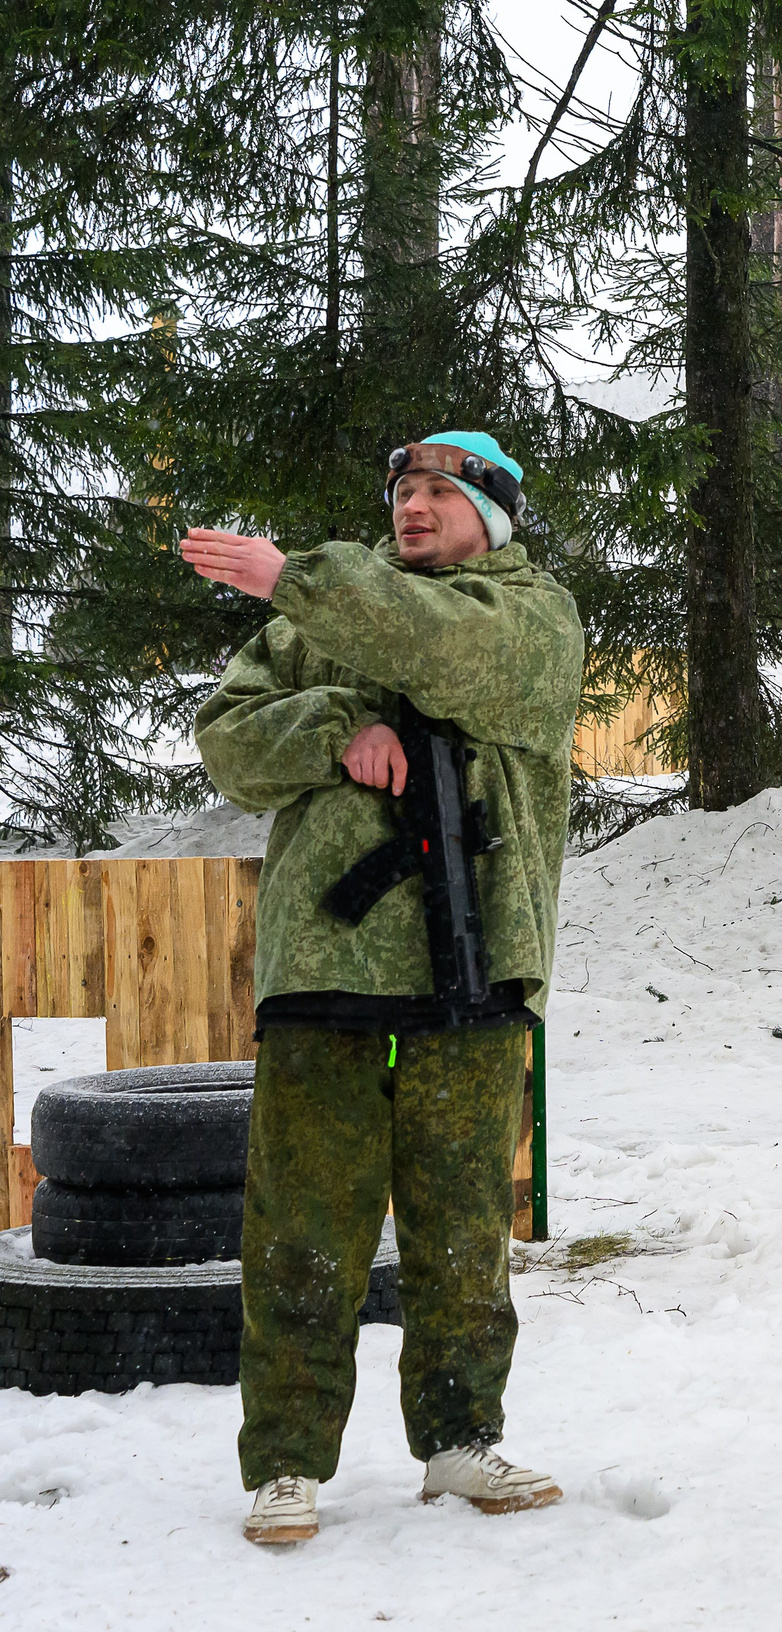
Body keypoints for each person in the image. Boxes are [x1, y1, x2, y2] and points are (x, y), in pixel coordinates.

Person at [186, 432, 585, 1542]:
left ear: (491, 514)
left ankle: (460, 1444)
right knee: (305, 1224)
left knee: (463, 1228)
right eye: (403, 491)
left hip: (476, 961)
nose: (414, 508)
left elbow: (450, 656)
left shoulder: (531, 614)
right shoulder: (314, 620)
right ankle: (288, 1462)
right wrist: (334, 726)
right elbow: (227, 737)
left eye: (440, 493)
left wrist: (296, 577)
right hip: (328, 963)